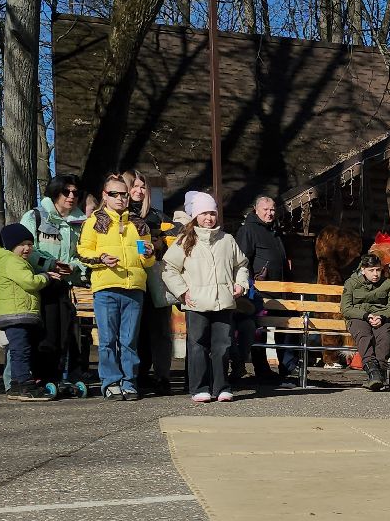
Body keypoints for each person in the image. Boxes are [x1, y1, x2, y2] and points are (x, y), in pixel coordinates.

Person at [161, 192, 249, 403]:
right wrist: (182, 291)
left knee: (223, 345)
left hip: (224, 301)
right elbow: (168, 268)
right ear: (195, 216)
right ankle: (199, 387)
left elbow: (241, 265)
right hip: (196, 302)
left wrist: (241, 284)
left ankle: (222, 386)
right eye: (204, 214)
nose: (208, 218)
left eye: (212, 213)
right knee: (197, 345)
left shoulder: (227, 240)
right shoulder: (185, 241)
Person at [78, 173, 155, 399]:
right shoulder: (94, 222)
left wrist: (149, 254)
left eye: (123, 194)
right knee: (107, 339)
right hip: (106, 287)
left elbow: (146, 260)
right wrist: (100, 257)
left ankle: (129, 381)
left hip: (134, 288)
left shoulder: (139, 224)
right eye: (114, 194)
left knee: (129, 340)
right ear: (105, 195)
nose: (120, 199)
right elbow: (83, 251)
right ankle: (110, 382)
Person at [20, 175, 90, 392]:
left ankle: (68, 375)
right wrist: (50, 265)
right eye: (66, 192)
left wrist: (74, 267)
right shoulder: (35, 216)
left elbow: (85, 252)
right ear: (54, 192)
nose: (71, 197)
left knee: (69, 333)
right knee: (46, 334)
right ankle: (43, 375)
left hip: (67, 285)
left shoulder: (82, 223)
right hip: (41, 284)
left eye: (75, 193)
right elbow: (25, 249)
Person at [0, 224, 62, 401]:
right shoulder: (12, 261)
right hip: (16, 314)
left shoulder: (14, 261)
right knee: (21, 350)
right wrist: (47, 276)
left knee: (18, 349)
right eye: (22, 244)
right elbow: (29, 282)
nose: (27, 248)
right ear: (12, 245)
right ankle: (26, 386)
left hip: (17, 313)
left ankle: (15, 385)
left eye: (30, 244)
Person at [233, 196, 295, 383]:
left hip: (280, 291)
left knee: (286, 328)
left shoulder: (275, 232)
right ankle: (262, 369)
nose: (270, 213)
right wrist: (249, 284)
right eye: (266, 209)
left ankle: (289, 367)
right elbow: (242, 261)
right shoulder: (248, 230)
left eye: (273, 210)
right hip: (258, 291)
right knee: (257, 331)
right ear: (256, 210)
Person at [125, 172, 176, 395]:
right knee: (135, 332)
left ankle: (162, 375)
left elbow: (177, 240)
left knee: (160, 331)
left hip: (155, 279)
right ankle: (138, 374)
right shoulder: (120, 217)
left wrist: (160, 245)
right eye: (134, 186)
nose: (138, 190)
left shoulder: (158, 217)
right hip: (131, 278)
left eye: (142, 187)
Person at [340, 253, 390, 391]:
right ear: (363, 270)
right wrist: (366, 316)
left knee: (385, 337)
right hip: (359, 317)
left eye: (378, 270)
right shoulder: (351, 283)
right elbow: (346, 308)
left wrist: (382, 317)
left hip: (381, 317)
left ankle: (376, 376)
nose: (375, 274)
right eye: (371, 270)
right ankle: (373, 371)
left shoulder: (388, 284)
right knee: (364, 335)